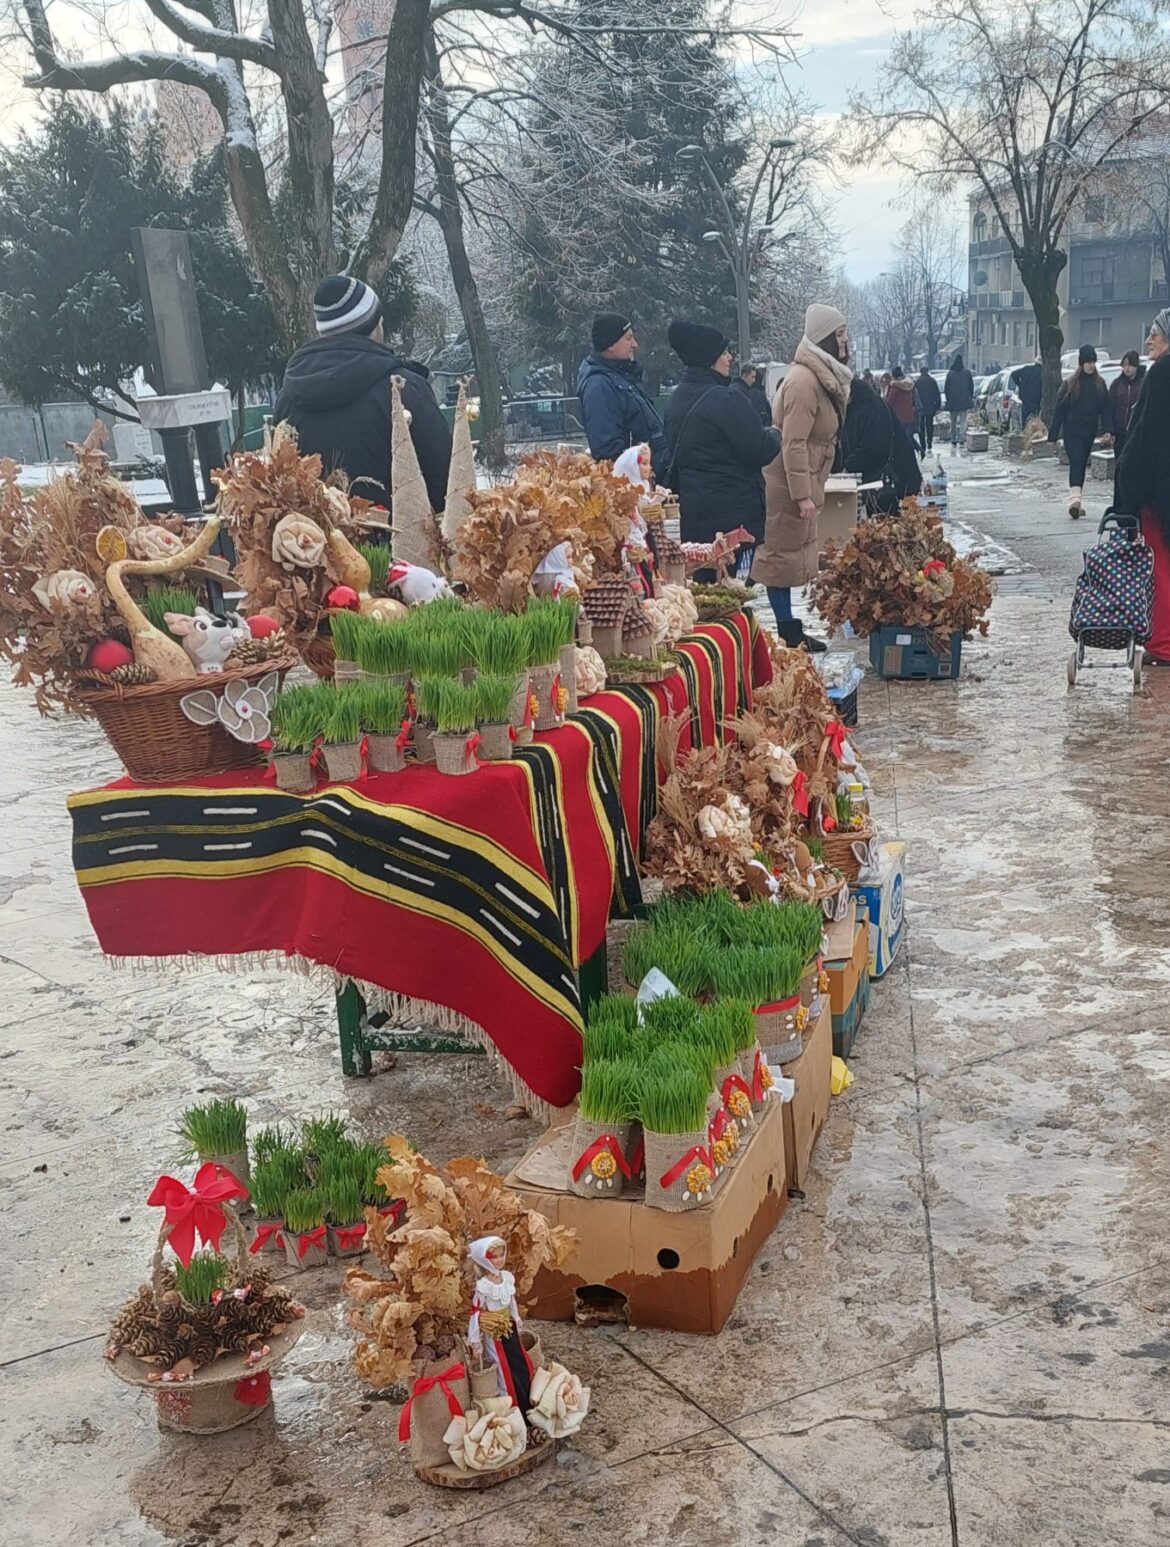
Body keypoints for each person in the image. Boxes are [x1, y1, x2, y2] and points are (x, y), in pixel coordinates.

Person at [273, 274, 452, 509]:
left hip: (308, 533)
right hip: (400, 531)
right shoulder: (403, 388)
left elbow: (280, 484)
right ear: (374, 326)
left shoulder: (288, 398)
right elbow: (448, 483)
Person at [755, 302, 852, 650]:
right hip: (787, 483)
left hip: (806, 477)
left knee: (788, 556)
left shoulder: (820, 377)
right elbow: (792, 442)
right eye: (840, 334)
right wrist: (802, 494)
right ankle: (787, 631)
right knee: (778, 558)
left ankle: (789, 628)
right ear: (825, 338)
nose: (846, 340)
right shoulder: (803, 382)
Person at [662, 321, 780, 563]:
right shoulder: (727, 399)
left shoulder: (675, 399)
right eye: (724, 352)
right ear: (709, 358)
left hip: (694, 518)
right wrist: (775, 434)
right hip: (734, 521)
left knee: (704, 581)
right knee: (735, 582)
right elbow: (759, 448)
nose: (730, 358)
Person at [1115, 311, 1170, 664]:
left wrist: (1127, 489)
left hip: (1159, 492)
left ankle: (1164, 644)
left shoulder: (1161, 375)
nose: (1148, 340)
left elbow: (1145, 437)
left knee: (1160, 567)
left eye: (1155, 334)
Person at [576, 312, 669, 481]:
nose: (635, 344)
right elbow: (607, 452)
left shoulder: (620, 376)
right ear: (610, 345)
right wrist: (637, 482)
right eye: (628, 338)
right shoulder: (598, 387)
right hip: (638, 485)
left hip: (651, 478)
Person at [835, 375, 922, 513]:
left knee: (888, 520)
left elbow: (874, 447)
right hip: (878, 483)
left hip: (892, 481)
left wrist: (847, 467)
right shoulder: (854, 408)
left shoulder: (872, 407)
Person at [1048, 344, 1112, 518]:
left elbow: (1105, 408)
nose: (1091, 365)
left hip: (1088, 433)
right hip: (1072, 433)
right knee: (1076, 463)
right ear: (1081, 363)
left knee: (1081, 465)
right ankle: (1074, 500)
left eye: (1093, 362)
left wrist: (1108, 430)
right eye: (1088, 362)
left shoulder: (1099, 384)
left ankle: (1076, 500)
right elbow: (1059, 411)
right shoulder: (1070, 384)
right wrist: (1053, 435)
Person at [1109, 350, 1146, 465]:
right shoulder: (1117, 384)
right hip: (1120, 432)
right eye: (1124, 365)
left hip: (1136, 432)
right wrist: (1109, 429)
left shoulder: (1143, 383)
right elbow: (1110, 407)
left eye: (1130, 365)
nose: (1127, 368)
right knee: (1119, 461)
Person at [944, 353, 975, 447]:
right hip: (964, 402)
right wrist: (969, 397)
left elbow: (946, 389)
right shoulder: (967, 373)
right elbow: (971, 387)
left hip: (952, 402)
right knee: (963, 420)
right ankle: (962, 438)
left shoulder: (950, 374)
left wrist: (948, 399)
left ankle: (953, 438)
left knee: (953, 421)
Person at [885, 366, 919, 450]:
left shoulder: (895, 388)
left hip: (898, 415)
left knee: (902, 437)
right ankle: (916, 449)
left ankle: (913, 449)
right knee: (907, 435)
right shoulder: (909, 385)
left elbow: (889, 402)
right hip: (909, 415)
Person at [732, 362, 772, 427]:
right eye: (752, 377)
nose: (754, 380)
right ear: (744, 375)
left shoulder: (738, 389)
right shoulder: (741, 392)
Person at [914, 366, 942, 453]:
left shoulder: (917, 382)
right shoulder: (932, 381)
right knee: (929, 425)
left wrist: (914, 406)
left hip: (920, 407)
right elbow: (937, 393)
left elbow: (914, 395)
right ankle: (929, 441)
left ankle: (923, 444)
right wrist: (937, 405)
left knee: (921, 426)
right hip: (930, 406)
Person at [1009, 359, 1043, 426]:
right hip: (1037, 400)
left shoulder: (1026, 369)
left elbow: (1013, 374)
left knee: (1024, 419)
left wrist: (1020, 385)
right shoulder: (1042, 372)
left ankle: (1024, 429)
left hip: (1025, 399)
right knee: (1036, 420)